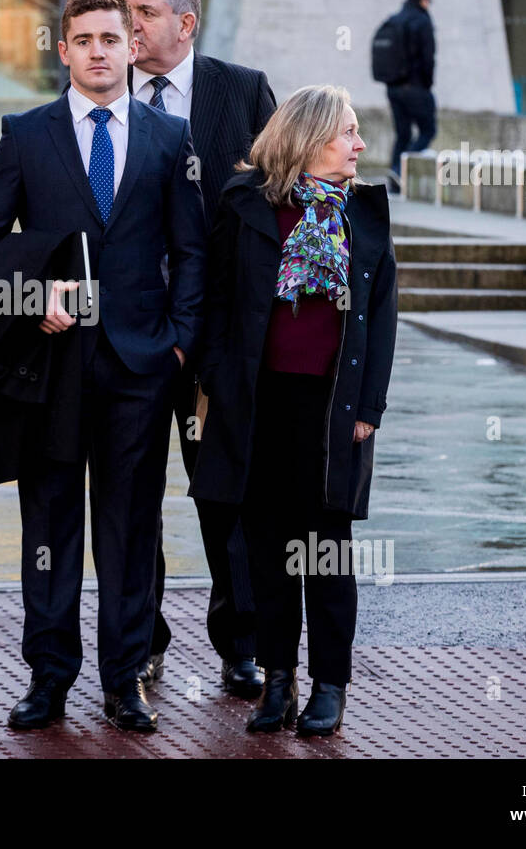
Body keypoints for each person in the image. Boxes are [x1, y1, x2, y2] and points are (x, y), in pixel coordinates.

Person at [0, 0, 207, 732]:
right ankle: (47, 678)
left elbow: (192, 251)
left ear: (131, 47)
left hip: (141, 368)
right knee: (50, 527)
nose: (100, 52)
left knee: (130, 532)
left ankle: (123, 678)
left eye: (112, 38)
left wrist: (177, 343)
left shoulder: (170, 138)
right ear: (62, 50)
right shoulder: (28, 133)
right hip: (53, 365)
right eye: (85, 40)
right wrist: (31, 296)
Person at [190, 84, 397, 736]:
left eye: (359, 133)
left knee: (326, 547)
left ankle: (329, 685)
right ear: (307, 140)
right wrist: (219, 386)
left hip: (334, 407)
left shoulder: (364, 212)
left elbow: (384, 316)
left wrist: (370, 406)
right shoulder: (243, 203)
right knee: (268, 550)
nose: (359, 146)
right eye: (347, 133)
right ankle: (277, 682)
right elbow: (217, 302)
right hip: (258, 402)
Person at [121, 0, 277, 698]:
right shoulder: (102, 90)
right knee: (132, 489)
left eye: (144, 13)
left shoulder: (241, 91)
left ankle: (239, 641)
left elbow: (281, 198)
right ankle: (140, 639)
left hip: (219, 336)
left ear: (185, 23)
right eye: (125, 11)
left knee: (225, 492)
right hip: (133, 333)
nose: (128, 27)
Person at [382, 0, 436, 188]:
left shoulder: (395, 20)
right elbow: (428, 57)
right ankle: (398, 169)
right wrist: (426, 85)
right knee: (428, 130)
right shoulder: (422, 21)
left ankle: (394, 181)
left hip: (393, 88)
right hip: (415, 87)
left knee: (403, 133)